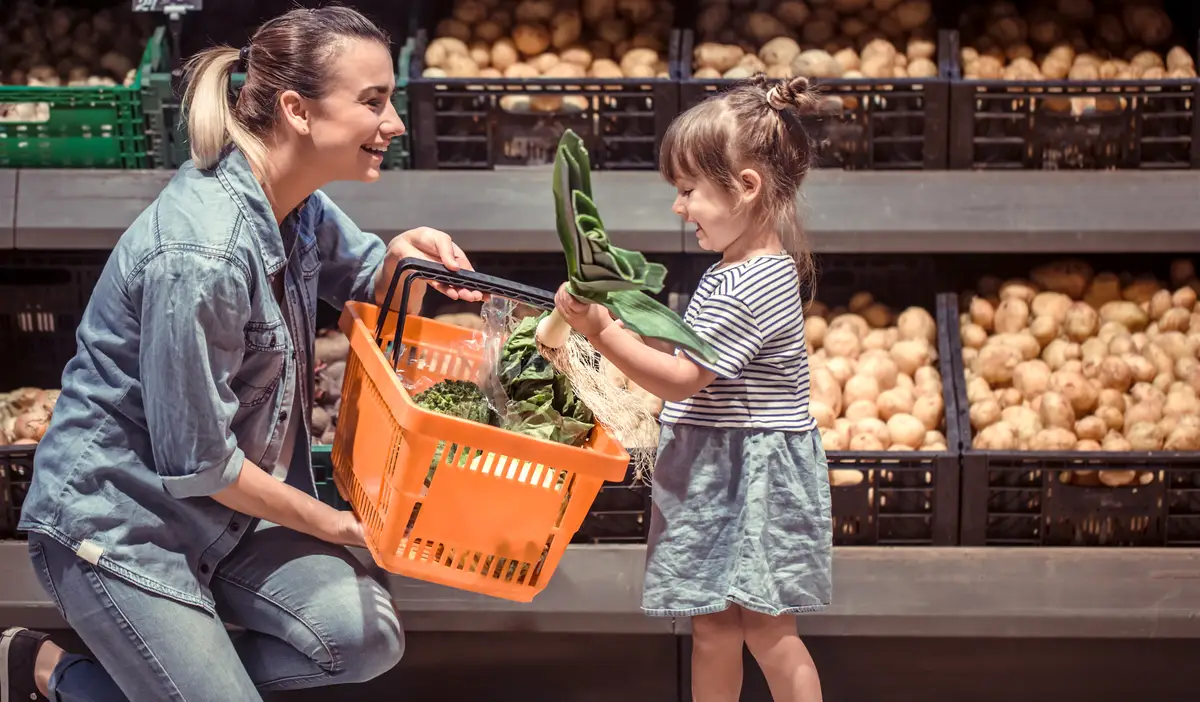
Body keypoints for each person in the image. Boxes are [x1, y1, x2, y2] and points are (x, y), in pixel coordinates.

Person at [1, 6, 484, 701]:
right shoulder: (201, 255)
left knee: (363, 637)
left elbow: (366, 275)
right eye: (373, 103)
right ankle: (56, 672)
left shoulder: (294, 200)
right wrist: (345, 526)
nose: (396, 123)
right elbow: (200, 465)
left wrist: (403, 259)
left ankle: (136, 678)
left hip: (227, 517)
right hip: (122, 525)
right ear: (298, 110)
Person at [553, 74, 832, 702]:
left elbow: (682, 375)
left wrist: (600, 331)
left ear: (747, 187)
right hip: (717, 461)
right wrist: (624, 318)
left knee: (766, 627)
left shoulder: (753, 283)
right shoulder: (731, 271)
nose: (679, 208)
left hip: (750, 473)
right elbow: (680, 350)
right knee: (712, 627)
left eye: (688, 192)